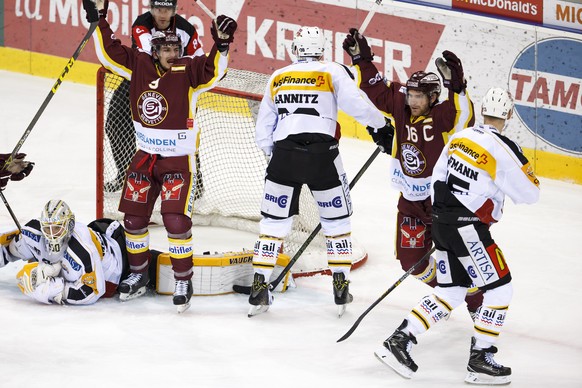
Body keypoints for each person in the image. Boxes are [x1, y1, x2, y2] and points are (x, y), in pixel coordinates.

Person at [374, 88, 540, 385]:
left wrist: (444, 219)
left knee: (451, 291)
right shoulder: (502, 147)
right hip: (468, 229)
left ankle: (400, 340)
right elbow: (530, 194)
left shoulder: (459, 138)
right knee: (501, 289)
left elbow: (437, 178)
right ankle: (481, 358)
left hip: (442, 223)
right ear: (510, 114)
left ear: (482, 112)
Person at [82, 0, 237, 312]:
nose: (171, 54)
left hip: (177, 162)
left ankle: (183, 278)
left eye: (175, 49)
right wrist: (99, 19)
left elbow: (214, 72)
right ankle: (138, 274)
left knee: (175, 221)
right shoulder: (137, 64)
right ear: (154, 51)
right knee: (134, 220)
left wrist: (221, 45)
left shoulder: (188, 71)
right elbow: (108, 52)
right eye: (165, 49)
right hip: (144, 158)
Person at [249, 26, 393, 317]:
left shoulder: (279, 76)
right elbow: (358, 104)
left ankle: (260, 283)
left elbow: (264, 124)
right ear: (322, 48)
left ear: (295, 49)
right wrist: (381, 126)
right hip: (321, 156)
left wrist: (274, 156)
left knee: (273, 224)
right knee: (336, 221)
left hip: (284, 156)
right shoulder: (332, 71)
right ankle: (340, 282)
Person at [342, 29, 483, 316]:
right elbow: (375, 90)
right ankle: (448, 291)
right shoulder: (400, 106)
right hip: (410, 201)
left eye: (420, 96)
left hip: (442, 203)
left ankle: (475, 301)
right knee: (412, 263)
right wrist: (362, 59)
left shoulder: (444, 114)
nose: (413, 100)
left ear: (433, 97)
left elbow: (465, 116)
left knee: (460, 259)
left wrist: (457, 86)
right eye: (411, 94)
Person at [104, 0, 205, 192]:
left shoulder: (186, 29)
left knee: (182, 132)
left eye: (167, 9)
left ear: (174, 10)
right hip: (143, 82)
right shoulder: (142, 24)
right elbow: (146, 55)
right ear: (151, 9)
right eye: (159, 8)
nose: (162, 13)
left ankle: (195, 182)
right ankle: (126, 174)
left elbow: (198, 60)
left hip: (177, 83)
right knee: (115, 122)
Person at [0, 200, 127, 305]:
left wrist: (56, 290)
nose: (51, 235)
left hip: (116, 265)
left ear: (69, 225)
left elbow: (94, 291)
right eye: (47, 228)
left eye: (56, 228)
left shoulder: (82, 250)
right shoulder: (33, 235)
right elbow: (5, 249)